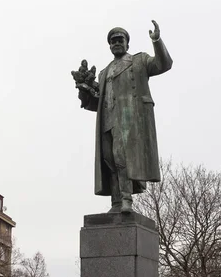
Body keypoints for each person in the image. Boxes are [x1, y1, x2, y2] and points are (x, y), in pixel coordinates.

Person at [72, 20, 173, 213]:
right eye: (113, 41)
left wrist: (157, 40)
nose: (116, 43)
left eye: (120, 39)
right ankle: (116, 203)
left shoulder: (139, 61)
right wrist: (83, 92)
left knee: (121, 157)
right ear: (109, 46)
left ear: (127, 43)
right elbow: (96, 104)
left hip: (130, 121)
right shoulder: (103, 73)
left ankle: (126, 200)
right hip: (107, 122)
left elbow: (163, 64)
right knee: (109, 160)